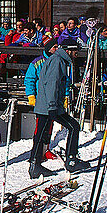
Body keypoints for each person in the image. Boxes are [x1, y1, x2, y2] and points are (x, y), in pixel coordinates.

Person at [28, 38, 80, 177]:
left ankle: (34, 166)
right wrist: (52, 106)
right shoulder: (57, 61)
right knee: (73, 126)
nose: (77, 54)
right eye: (76, 51)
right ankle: (71, 160)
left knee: (41, 134)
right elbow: (51, 83)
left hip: (48, 104)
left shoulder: (58, 60)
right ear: (69, 50)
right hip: (49, 105)